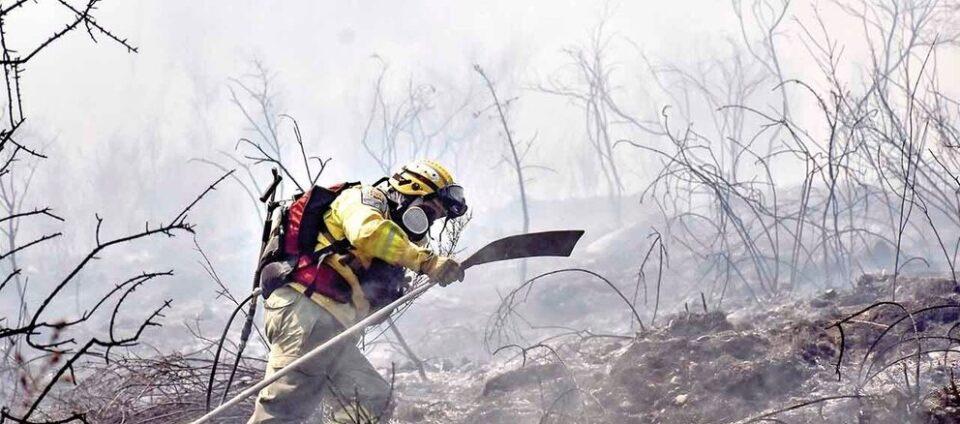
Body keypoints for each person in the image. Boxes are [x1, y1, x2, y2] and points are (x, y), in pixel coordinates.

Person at [248, 159, 467, 423]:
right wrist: (427, 261)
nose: (427, 224)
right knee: (281, 413)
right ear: (410, 192)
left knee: (374, 399)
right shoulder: (364, 200)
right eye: (428, 213)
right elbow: (367, 232)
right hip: (305, 314)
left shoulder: (395, 244)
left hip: (331, 327)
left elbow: (369, 303)